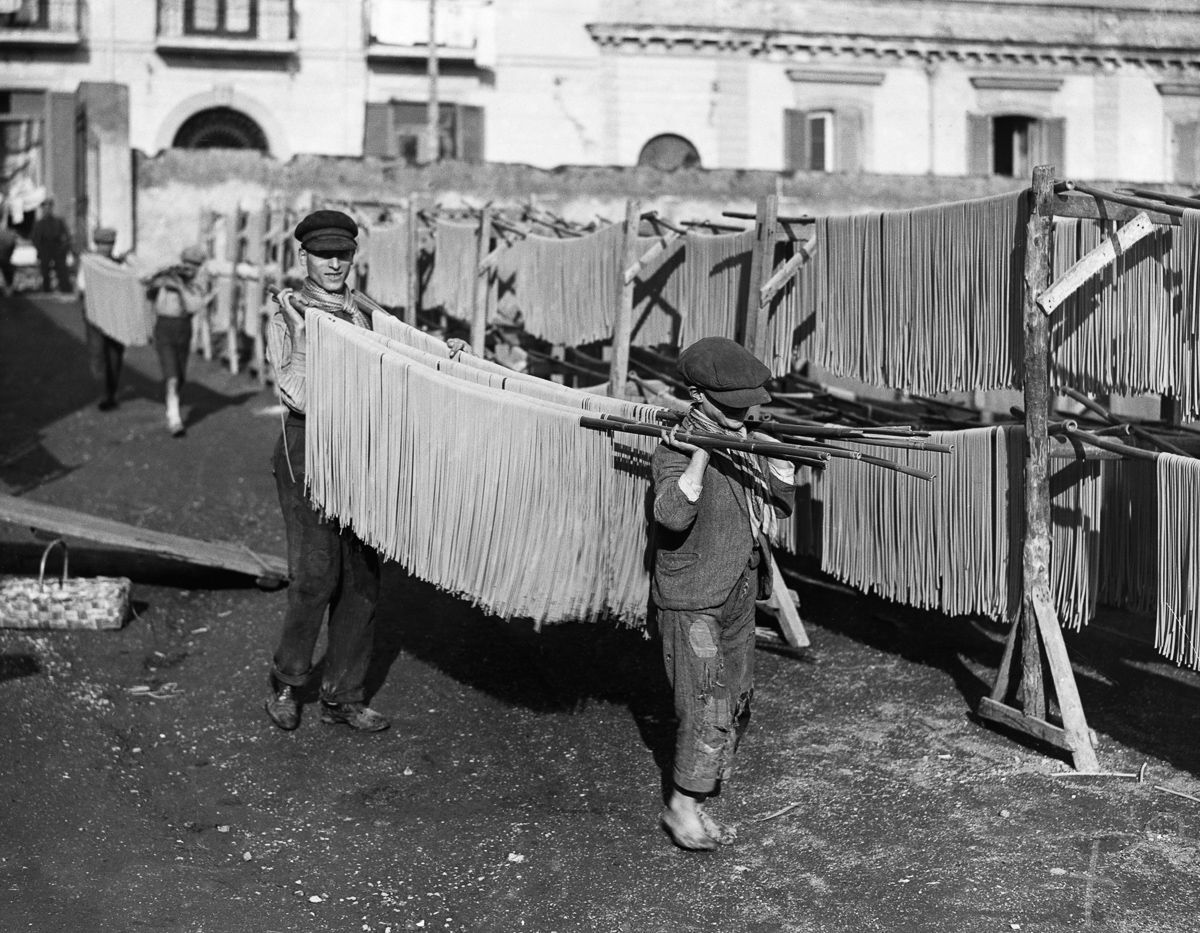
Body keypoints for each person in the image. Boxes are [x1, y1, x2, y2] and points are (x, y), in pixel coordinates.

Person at [264, 209, 466, 734]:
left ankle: (343, 696)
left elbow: (405, 350)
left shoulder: (366, 310)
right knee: (314, 576)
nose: (334, 263)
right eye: (323, 254)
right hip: (309, 449)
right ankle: (287, 683)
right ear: (302, 255)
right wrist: (343, 359)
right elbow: (295, 393)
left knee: (362, 580)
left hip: (363, 450)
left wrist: (445, 357)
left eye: (344, 254)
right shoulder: (289, 311)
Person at [650, 336, 797, 851]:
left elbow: (779, 507)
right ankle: (681, 808)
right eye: (734, 404)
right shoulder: (674, 444)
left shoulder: (746, 434)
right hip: (695, 597)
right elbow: (670, 515)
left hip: (737, 589)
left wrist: (780, 466)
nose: (747, 412)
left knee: (734, 693)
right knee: (706, 700)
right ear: (696, 395)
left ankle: (698, 791)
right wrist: (698, 460)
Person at [145, 245, 213, 436]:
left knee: (180, 375)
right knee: (172, 376)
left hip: (183, 328)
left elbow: (194, 306)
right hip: (164, 328)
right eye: (186, 265)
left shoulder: (196, 284)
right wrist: (163, 275)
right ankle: (174, 418)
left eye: (194, 266)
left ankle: (171, 401)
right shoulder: (167, 278)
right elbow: (146, 284)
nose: (189, 269)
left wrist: (181, 287)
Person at [77, 227, 130, 410]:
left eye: (108, 244)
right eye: (102, 244)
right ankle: (104, 395)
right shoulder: (89, 263)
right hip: (95, 315)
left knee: (115, 354)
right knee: (98, 354)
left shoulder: (121, 264)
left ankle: (112, 392)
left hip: (116, 315)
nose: (105, 248)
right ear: (96, 244)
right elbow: (82, 288)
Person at [30, 198, 72, 293]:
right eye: (45, 208)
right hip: (44, 249)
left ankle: (65, 289)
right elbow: (34, 238)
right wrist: (39, 249)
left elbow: (66, 235)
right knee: (45, 271)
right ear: (43, 209)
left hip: (58, 248)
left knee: (62, 270)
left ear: (51, 208)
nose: (47, 210)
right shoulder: (39, 224)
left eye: (49, 207)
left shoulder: (58, 221)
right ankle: (46, 290)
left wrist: (64, 248)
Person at [0, 223, 17, 298]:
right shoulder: (9, 235)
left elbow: (11, 247)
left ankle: (8, 291)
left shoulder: (8, 234)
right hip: (5, 258)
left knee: (8, 273)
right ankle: (8, 291)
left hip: (5, 258)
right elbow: (12, 247)